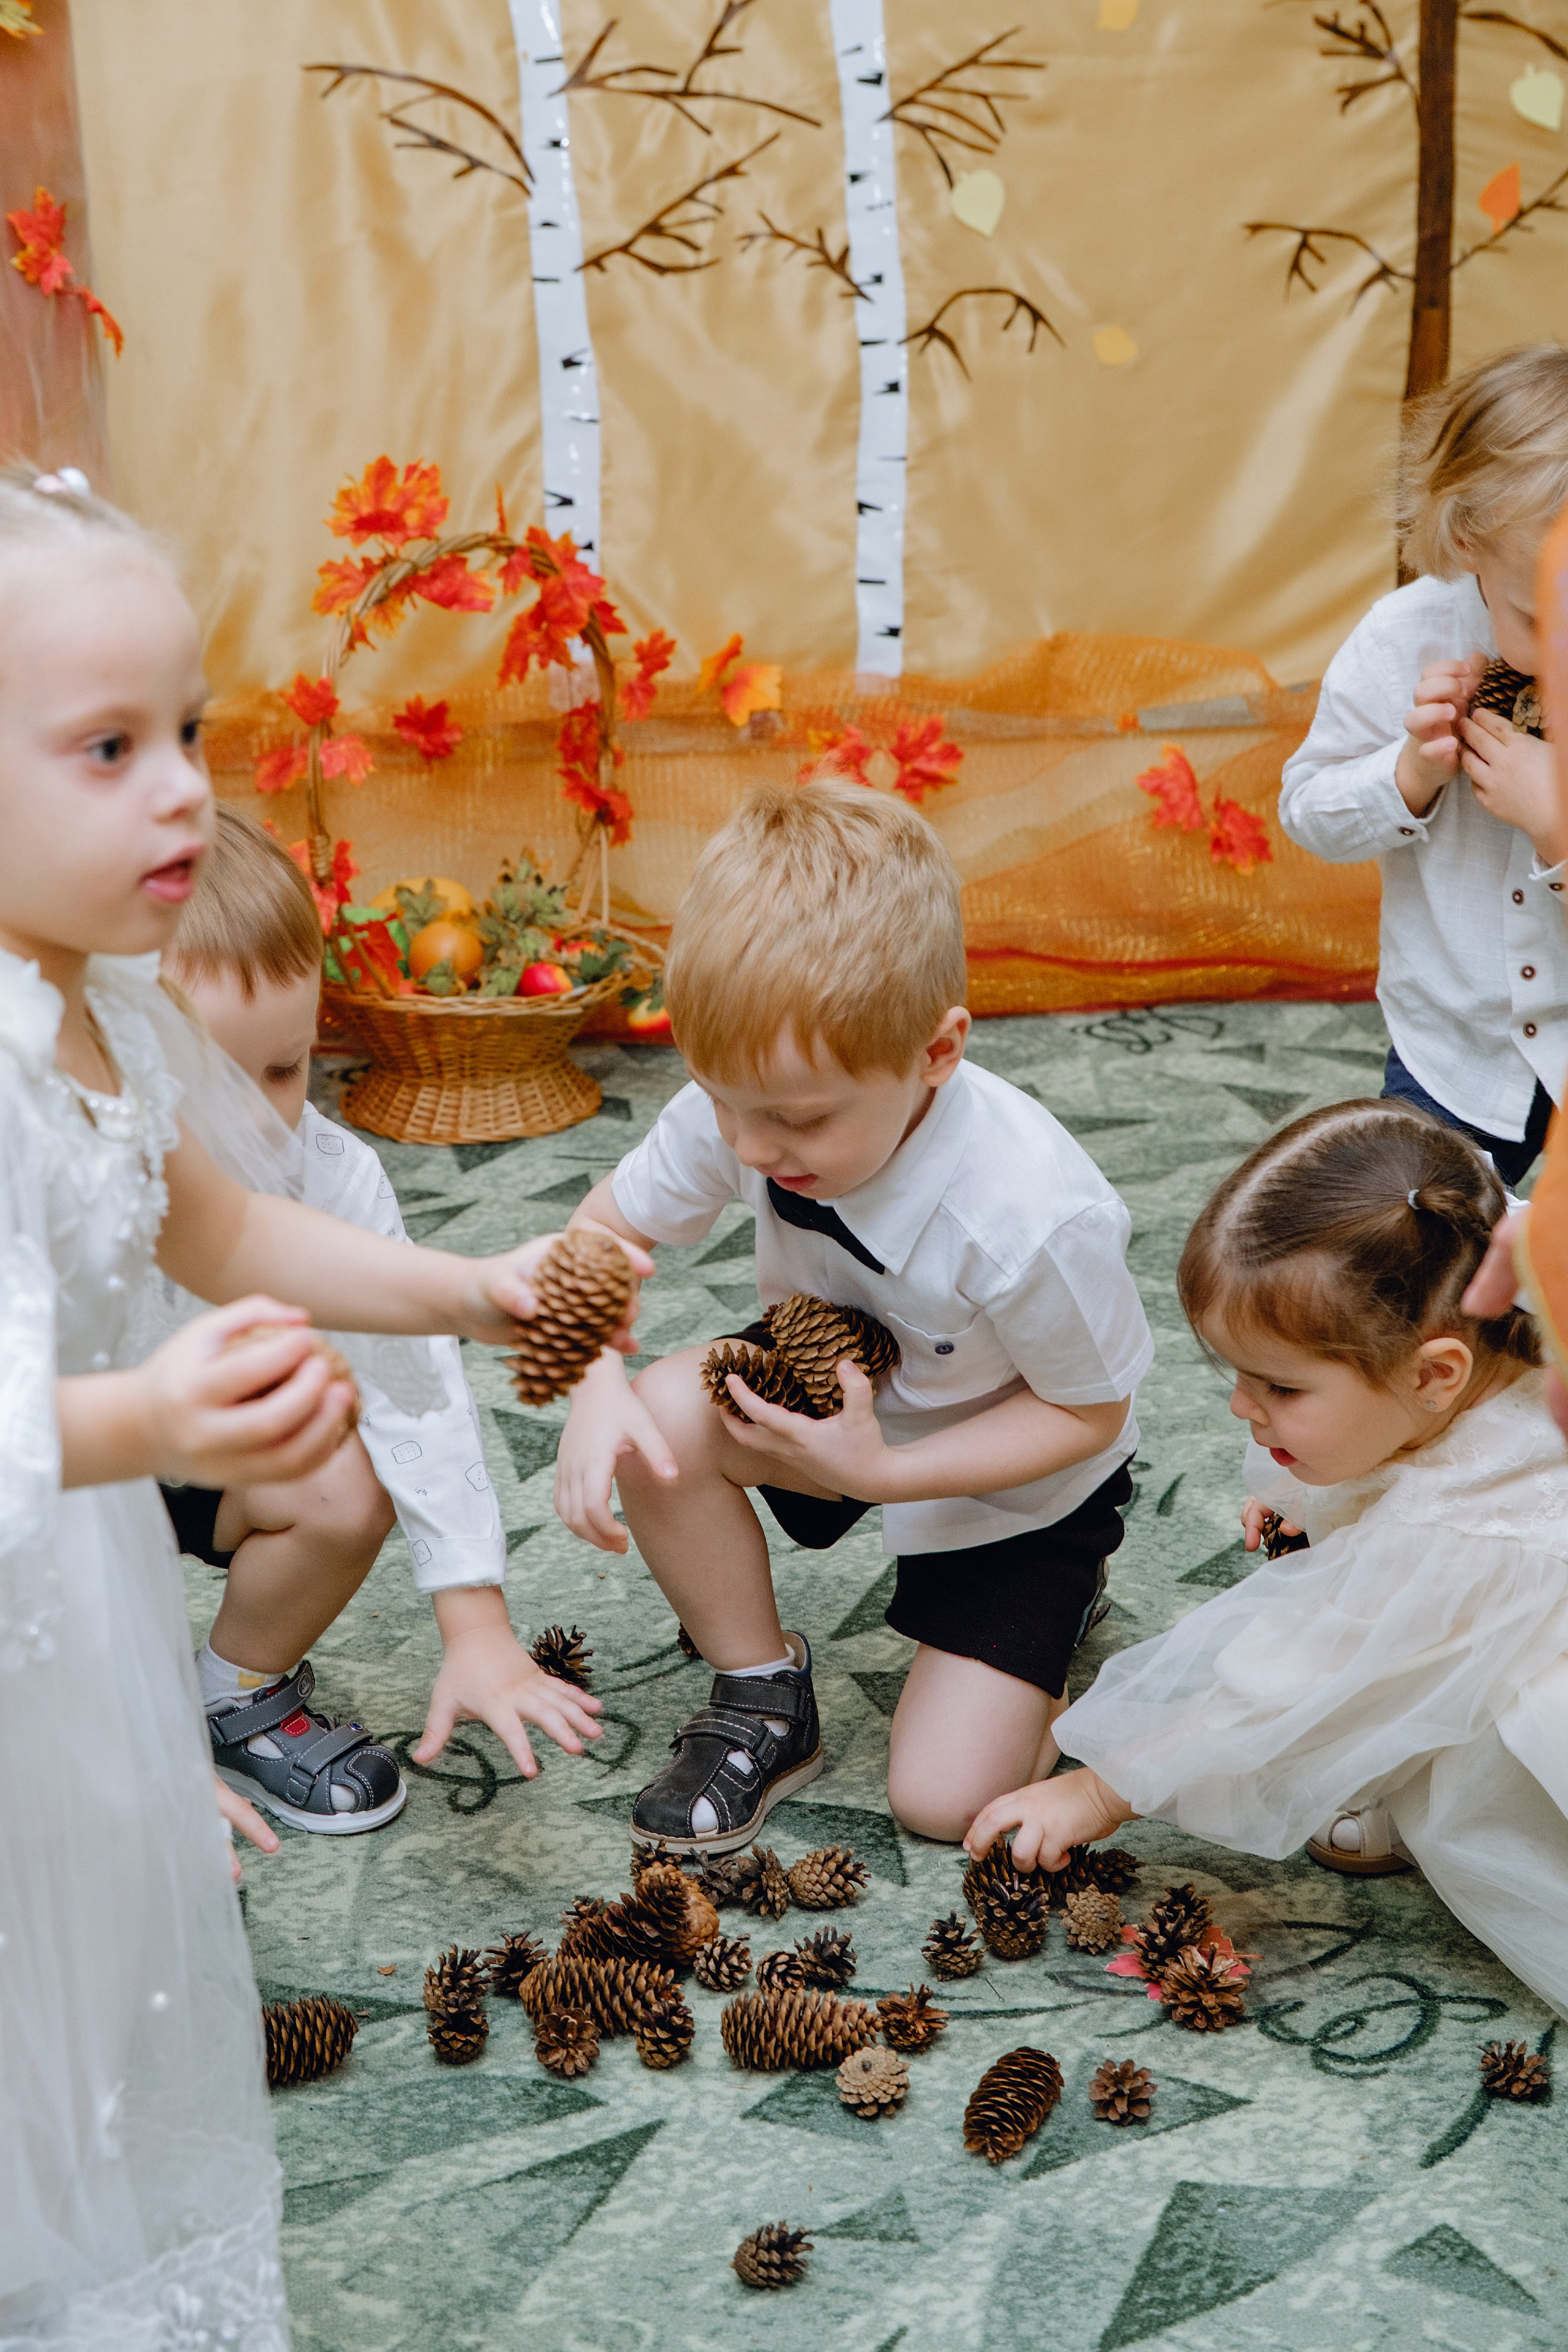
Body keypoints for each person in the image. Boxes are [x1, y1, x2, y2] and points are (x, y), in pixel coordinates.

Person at [0, 466, 643, 2345]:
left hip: (78, 1596)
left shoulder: (112, 1007)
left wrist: (475, 1286)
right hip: (43, 1532)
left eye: (185, 731)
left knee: (92, 1937)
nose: (185, 786)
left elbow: (225, 1222)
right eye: (106, 748)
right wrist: (149, 1427)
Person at [552, 777, 1153, 1851]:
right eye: (720, 1101)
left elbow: (1088, 1416)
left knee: (942, 1804)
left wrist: (886, 1476)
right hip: (824, 1402)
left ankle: (1062, 1616)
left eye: (793, 1119)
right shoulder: (750, 1101)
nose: (745, 1147)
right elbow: (602, 1234)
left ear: (937, 1051)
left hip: (1011, 1479)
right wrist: (593, 1386)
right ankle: (762, 1693)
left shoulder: (1032, 1214)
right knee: (654, 1420)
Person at [965, 1099, 1568, 2021]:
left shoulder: (1458, 1538)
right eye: (1237, 1375)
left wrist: (1098, 1791)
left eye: (1282, 1386)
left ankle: (1452, 1795)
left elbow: (1295, 1676)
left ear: (1436, 1373)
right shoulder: (1507, 1306)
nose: (1245, 1409)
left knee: (1430, 1696)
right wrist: (1315, 1490)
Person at [159, 806, 601, 1833]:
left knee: (346, 1480)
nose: (269, 1117)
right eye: (220, 1088)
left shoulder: (332, 1174)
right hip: (71, 1478)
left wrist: (474, 1614)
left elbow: (417, 1388)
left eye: (287, 1067)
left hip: (221, 1456)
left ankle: (235, 1689)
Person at [1281, 344, 1568, 1188]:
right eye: (1536, 616)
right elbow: (1308, 812)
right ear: (1470, 538)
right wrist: (1406, 775)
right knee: (1417, 1260)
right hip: (1450, 1061)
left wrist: (1557, 826)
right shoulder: (1402, 639)